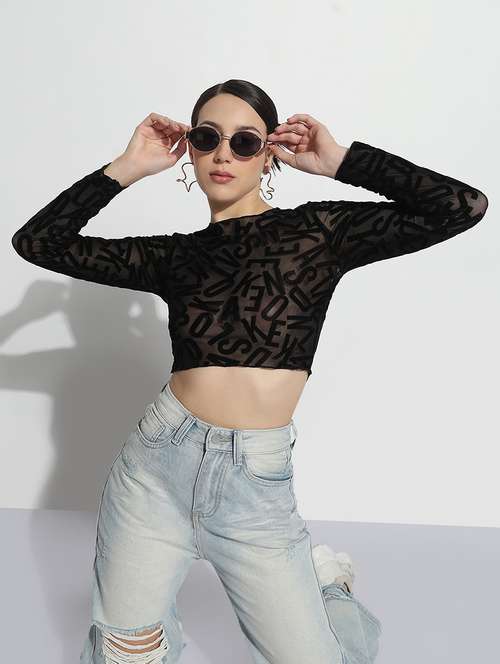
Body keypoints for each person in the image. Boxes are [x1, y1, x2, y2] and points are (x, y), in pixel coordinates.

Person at [12, 79, 488, 664]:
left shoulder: (319, 233)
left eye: (244, 142)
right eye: (207, 138)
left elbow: (461, 206)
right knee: (123, 653)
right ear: (190, 151)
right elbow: (37, 243)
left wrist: (342, 161)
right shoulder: (174, 256)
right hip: (155, 471)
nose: (223, 154)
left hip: (254, 485)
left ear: (268, 155)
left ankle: (328, 588)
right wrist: (127, 167)